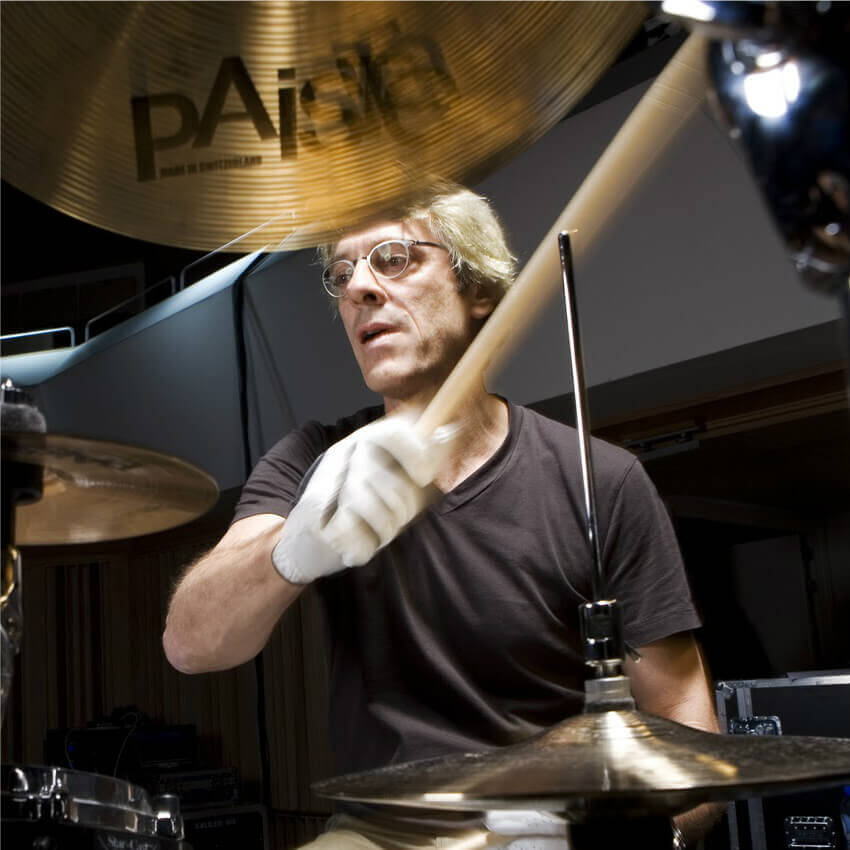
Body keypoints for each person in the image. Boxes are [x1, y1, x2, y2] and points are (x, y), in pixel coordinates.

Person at [163, 181, 720, 848]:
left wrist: (634, 837)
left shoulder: (600, 480)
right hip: (381, 832)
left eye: (393, 258)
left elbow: (686, 722)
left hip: (548, 830)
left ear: (475, 287)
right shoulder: (314, 460)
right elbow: (190, 645)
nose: (358, 288)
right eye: (343, 273)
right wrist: (288, 553)